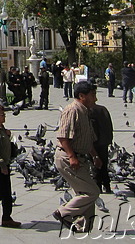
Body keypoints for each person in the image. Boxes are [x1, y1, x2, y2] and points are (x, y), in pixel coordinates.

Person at [52, 81, 102, 233]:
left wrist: (95, 156)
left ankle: (83, 226)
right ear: (81, 96)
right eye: (92, 95)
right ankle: (64, 213)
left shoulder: (85, 111)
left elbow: (89, 138)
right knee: (92, 192)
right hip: (68, 157)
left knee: (83, 192)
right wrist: (72, 156)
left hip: (81, 156)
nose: (95, 99)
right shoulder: (72, 110)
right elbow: (63, 137)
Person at [90, 101, 114, 193]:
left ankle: (98, 186)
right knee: (104, 164)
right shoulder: (103, 109)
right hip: (104, 141)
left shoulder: (90, 111)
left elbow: (91, 128)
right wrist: (109, 139)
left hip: (94, 142)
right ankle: (107, 186)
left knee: (95, 164)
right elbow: (109, 125)